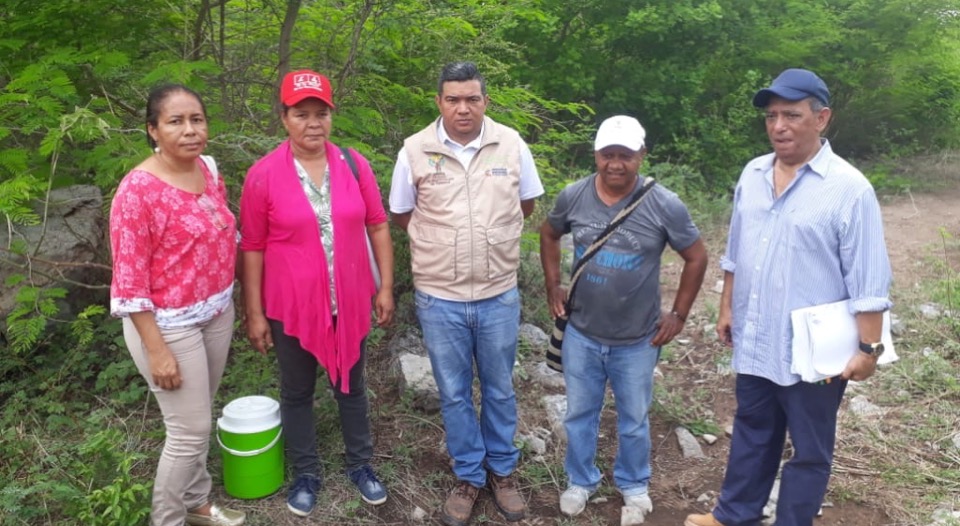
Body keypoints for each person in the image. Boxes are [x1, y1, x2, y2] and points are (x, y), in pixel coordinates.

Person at [685, 69, 892, 526]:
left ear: (822, 118)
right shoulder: (753, 174)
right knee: (753, 429)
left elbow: (869, 278)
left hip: (816, 350)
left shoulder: (849, 188)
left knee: (810, 448)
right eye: (772, 115)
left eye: (792, 115)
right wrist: (726, 307)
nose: (779, 125)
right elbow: (737, 250)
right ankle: (734, 514)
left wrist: (868, 349)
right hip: (757, 336)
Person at [388, 61, 544, 526]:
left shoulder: (511, 144)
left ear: (484, 102)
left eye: (471, 98)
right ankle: (469, 476)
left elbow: (527, 204)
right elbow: (401, 213)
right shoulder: (415, 150)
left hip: (498, 294)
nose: (462, 108)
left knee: (498, 389)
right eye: (453, 99)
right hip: (440, 297)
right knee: (455, 393)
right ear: (439, 102)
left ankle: (502, 472)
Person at [239, 69, 395, 517]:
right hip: (292, 306)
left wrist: (385, 286)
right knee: (297, 391)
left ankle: (360, 465)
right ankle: (306, 472)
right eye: (301, 113)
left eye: (320, 113)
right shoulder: (263, 175)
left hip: (348, 299)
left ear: (331, 115)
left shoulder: (352, 163)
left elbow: (378, 224)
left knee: (351, 384)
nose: (313, 123)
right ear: (284, 117)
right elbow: (252, 247)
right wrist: (255, 313)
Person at [540, 115, 708, 518]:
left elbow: (697, 256)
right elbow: (549, 233)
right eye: (607, 154)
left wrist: (679, 315)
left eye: (626, 155)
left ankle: (633, 483)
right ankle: (580, 480)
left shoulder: (664, 204)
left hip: (637, 338)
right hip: (581, 332)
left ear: (642, 156)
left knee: (633, 417)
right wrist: (553, 285)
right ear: (595, 155)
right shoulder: (574, 196)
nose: (616, 164)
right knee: (580, 414)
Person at [109, 84, 244, 526]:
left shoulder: (207, 169)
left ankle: (198, 504)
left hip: (216, 313)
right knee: (189, 433)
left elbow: (223, 233)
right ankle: (165, 519)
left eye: (197, 119)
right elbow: (129, 281)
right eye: (175, 121)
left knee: (199, 415)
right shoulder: (137, 192)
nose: (190, 130)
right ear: (152, 130)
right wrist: (157, 349)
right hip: (167, 325)